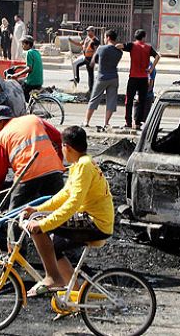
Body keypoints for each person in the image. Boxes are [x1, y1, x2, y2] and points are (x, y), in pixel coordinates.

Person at [23, 126, 113, 297]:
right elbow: (65, 194)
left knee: (39, 228)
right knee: (53, 246)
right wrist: (38, 209)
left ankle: (53, 278)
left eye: (60, 147)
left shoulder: (84, 166)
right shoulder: (80, 164)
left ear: (67, 147)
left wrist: (43, 224)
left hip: (95, 223)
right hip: (92, 219)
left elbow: (73, 203)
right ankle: (75, 295)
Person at [0, 105, 65, 251]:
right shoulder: (33, 119)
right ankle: (64, 248)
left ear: (1, 121)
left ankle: (15, 253)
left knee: (15, 215)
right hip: (53, 171)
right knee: (59, 209)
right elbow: (59, 137)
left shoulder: (2, 136)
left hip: (28, 175)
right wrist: (58, 161)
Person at [84, 29, 122, 130]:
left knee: (94, 99)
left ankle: (86, 121)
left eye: (105, 37)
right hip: (114, 78)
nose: (104, 39)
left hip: (102, 77)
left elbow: (93, 61)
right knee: (111, 101)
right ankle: (106, 123)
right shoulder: (119, 52)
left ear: (108, 38)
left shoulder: (101, 48)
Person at [122, 29, 160, 130]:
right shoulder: (148, 47)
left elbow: (119, 46)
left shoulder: (132, 45)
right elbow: (157, 56)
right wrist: (151, 69)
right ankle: (138, 123)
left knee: (129, 100)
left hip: (133, 77)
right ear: (144, 37)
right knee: (142, 101)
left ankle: (128, 122)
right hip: (143, 78)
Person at [9, 35, 42, 102]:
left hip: (32, 81)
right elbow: (31, 66)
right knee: (22, 83)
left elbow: (29, 68)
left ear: (28, 44)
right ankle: (30, 104)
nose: (22, 46)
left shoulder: (29, 53)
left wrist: (17, 74)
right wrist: (18, 67)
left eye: (23, 44)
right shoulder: (36, 52)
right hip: (39, 81)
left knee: (20, 92)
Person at [70, 26, 100, 95]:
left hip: (90, 59)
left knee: (90, 74)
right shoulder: (87, 38)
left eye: (89, 31)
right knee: (76, 65)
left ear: (92, 31)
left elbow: (96, 51)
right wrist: (71, 41)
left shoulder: (95, 40)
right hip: (86, 57)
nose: (87, 32)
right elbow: (80, 44)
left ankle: (91, 90)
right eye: (87, 31)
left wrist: (93, 60)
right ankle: (77, 79)